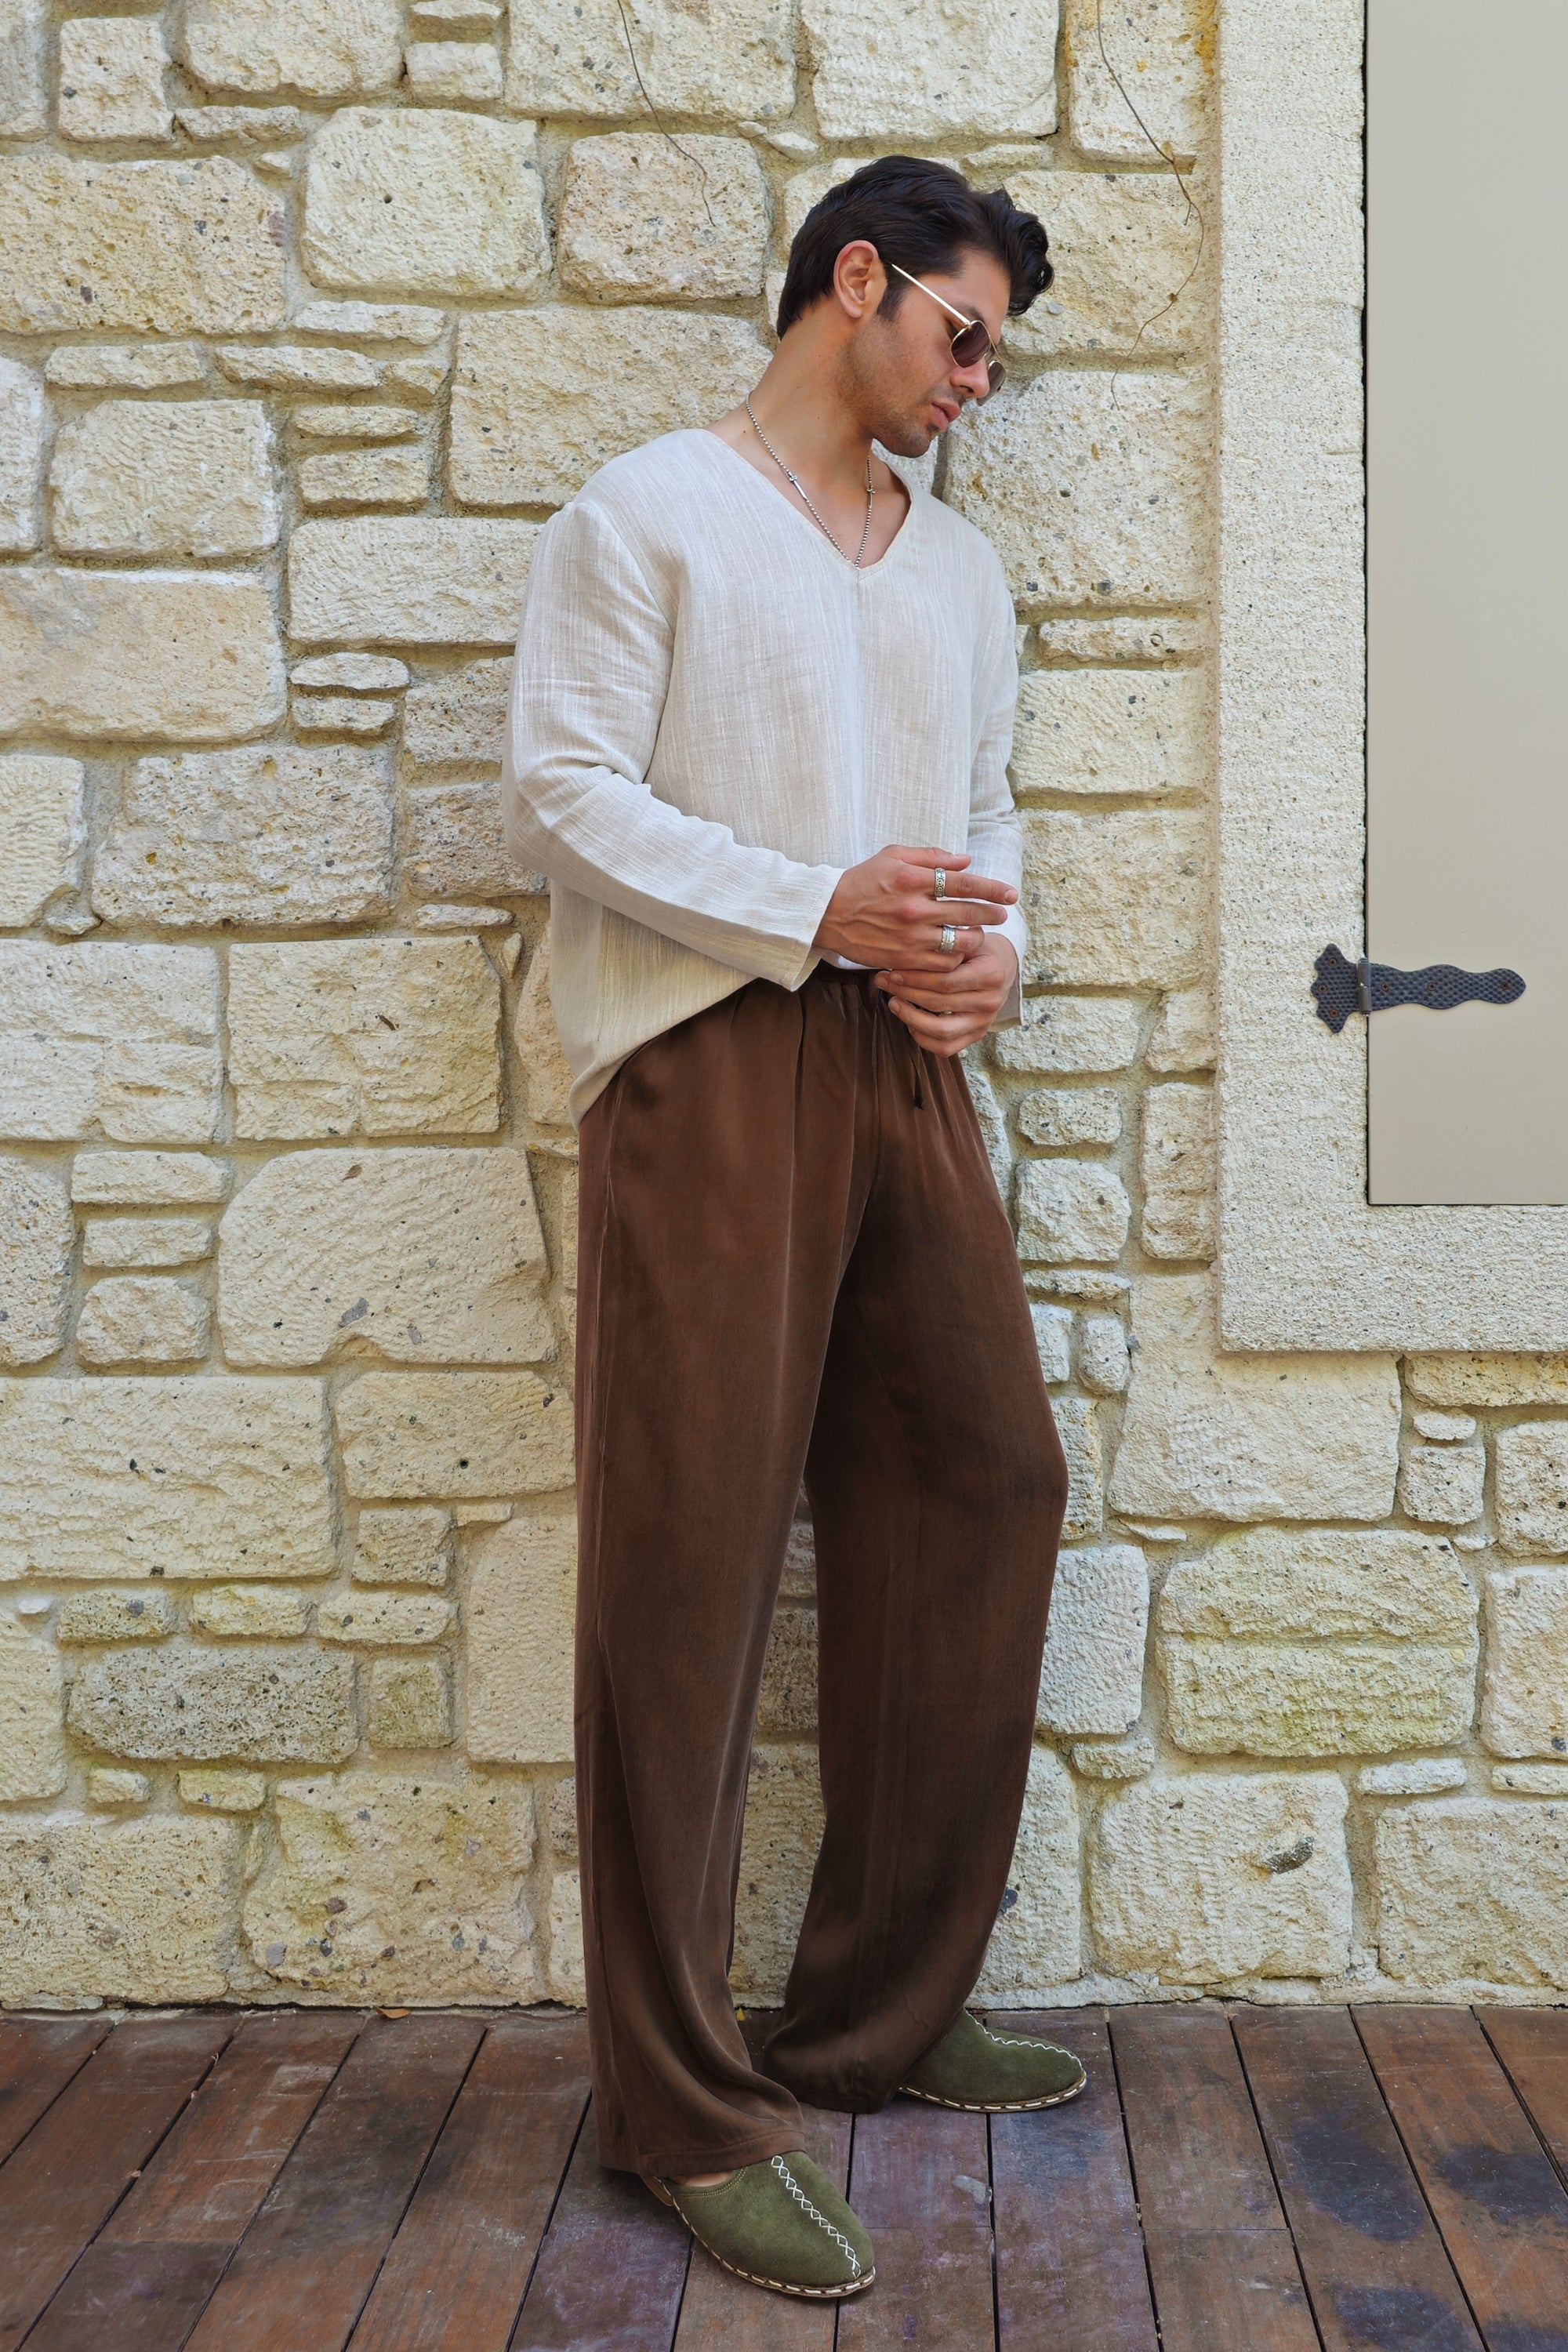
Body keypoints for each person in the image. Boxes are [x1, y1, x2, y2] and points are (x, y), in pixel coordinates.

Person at [502, 153, 1080, 2303]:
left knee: (984, 1478)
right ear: (859, 279)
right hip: (709, 1054)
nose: (976, 381)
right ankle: (680, 2104)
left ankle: (875, 2012)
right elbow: (562, 787)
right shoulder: (647, 512)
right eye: (963, 334)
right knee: (690, 1557)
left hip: (902, 1062)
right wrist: (808, 904)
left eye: (996, 357)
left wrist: (987, 959)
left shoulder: (962, 571)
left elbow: (985, 813)